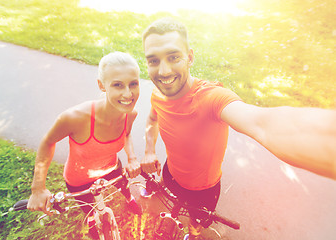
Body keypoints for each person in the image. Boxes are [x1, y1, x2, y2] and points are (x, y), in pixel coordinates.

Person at [140, 18, 336, 240]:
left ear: (190, 57)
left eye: (173, 57)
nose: (163, 71)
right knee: (174, 209)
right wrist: (148, 149)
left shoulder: (211, 98)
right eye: (153, 60)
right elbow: (152, 118)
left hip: (203, 190)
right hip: (170, 174)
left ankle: (193, 235)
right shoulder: (158, 94)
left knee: (196, 222)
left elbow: (263, 124)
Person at [27, 51, 142, 239]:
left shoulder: (130, 114)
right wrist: (38, 188)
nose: (128, 94)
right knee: (89, 209)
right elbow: (48, 142)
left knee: (124, 186)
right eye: (117, 85)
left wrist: (132, 158)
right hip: (79, 179)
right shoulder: (75, 118)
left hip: (112, 167)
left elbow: (127, 135)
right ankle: (91, 222)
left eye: (133, 84)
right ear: (101, 85)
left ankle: (129, 199)